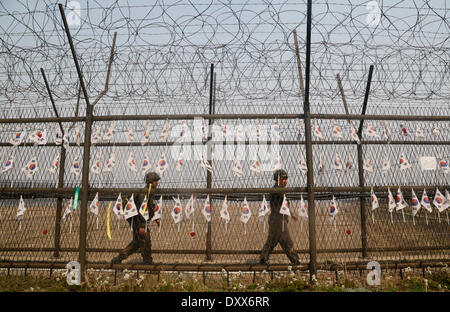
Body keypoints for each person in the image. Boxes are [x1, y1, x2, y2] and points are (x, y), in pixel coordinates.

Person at [110, 171, 161, 265]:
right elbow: (142, 209)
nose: (157, 183)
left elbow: (148, 208)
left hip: (138, 221)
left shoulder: (149, 191)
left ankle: (118, 259)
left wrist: (153, 218)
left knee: (137, 243)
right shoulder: (145, 192)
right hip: (138, 221)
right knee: (145, 240)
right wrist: (141, 225)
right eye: (155, 181)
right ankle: (148, 263)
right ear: (150, 181)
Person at [259, 169, 300, 265]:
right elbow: (281, 206)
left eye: (286, 178)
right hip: (278, 220)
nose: (285, 180)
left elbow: (284, 206)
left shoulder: (281, 191)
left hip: (279, 220)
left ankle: (263, 260)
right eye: (283, 178)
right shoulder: (276, 190)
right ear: (278, 179)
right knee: (286, 242)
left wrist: (291, 213)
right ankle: (296, 263)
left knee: (272, 242)